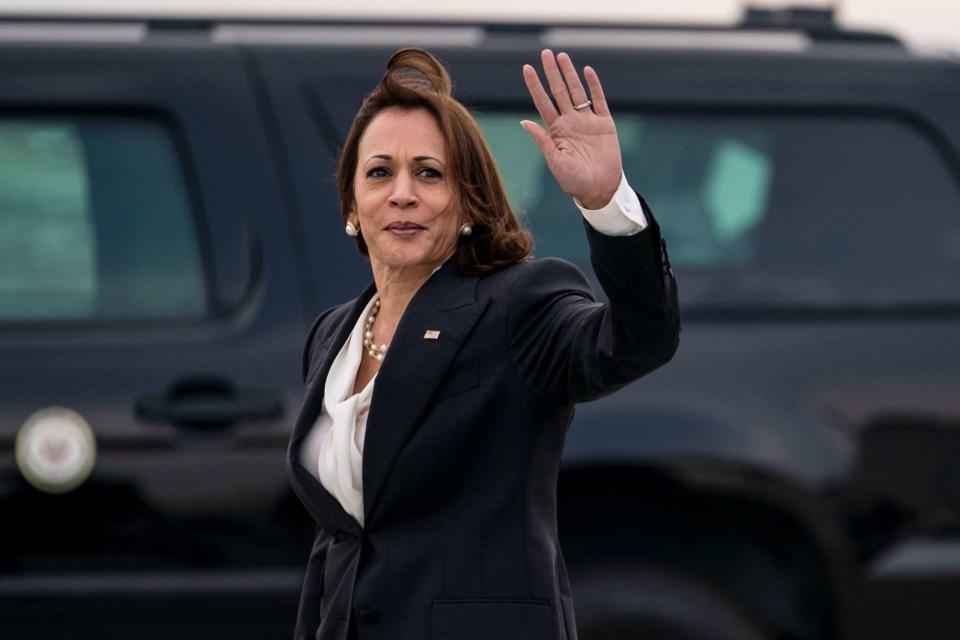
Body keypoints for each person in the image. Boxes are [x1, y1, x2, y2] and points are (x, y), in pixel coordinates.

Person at [286, 46, 680, 640]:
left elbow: (636, 340)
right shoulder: (331, 336)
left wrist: (606, 202)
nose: (402, 194)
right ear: (351, 205)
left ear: (468, 201)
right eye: (378, 172)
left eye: (428, 173)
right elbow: (340, 544)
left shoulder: (517, 304)